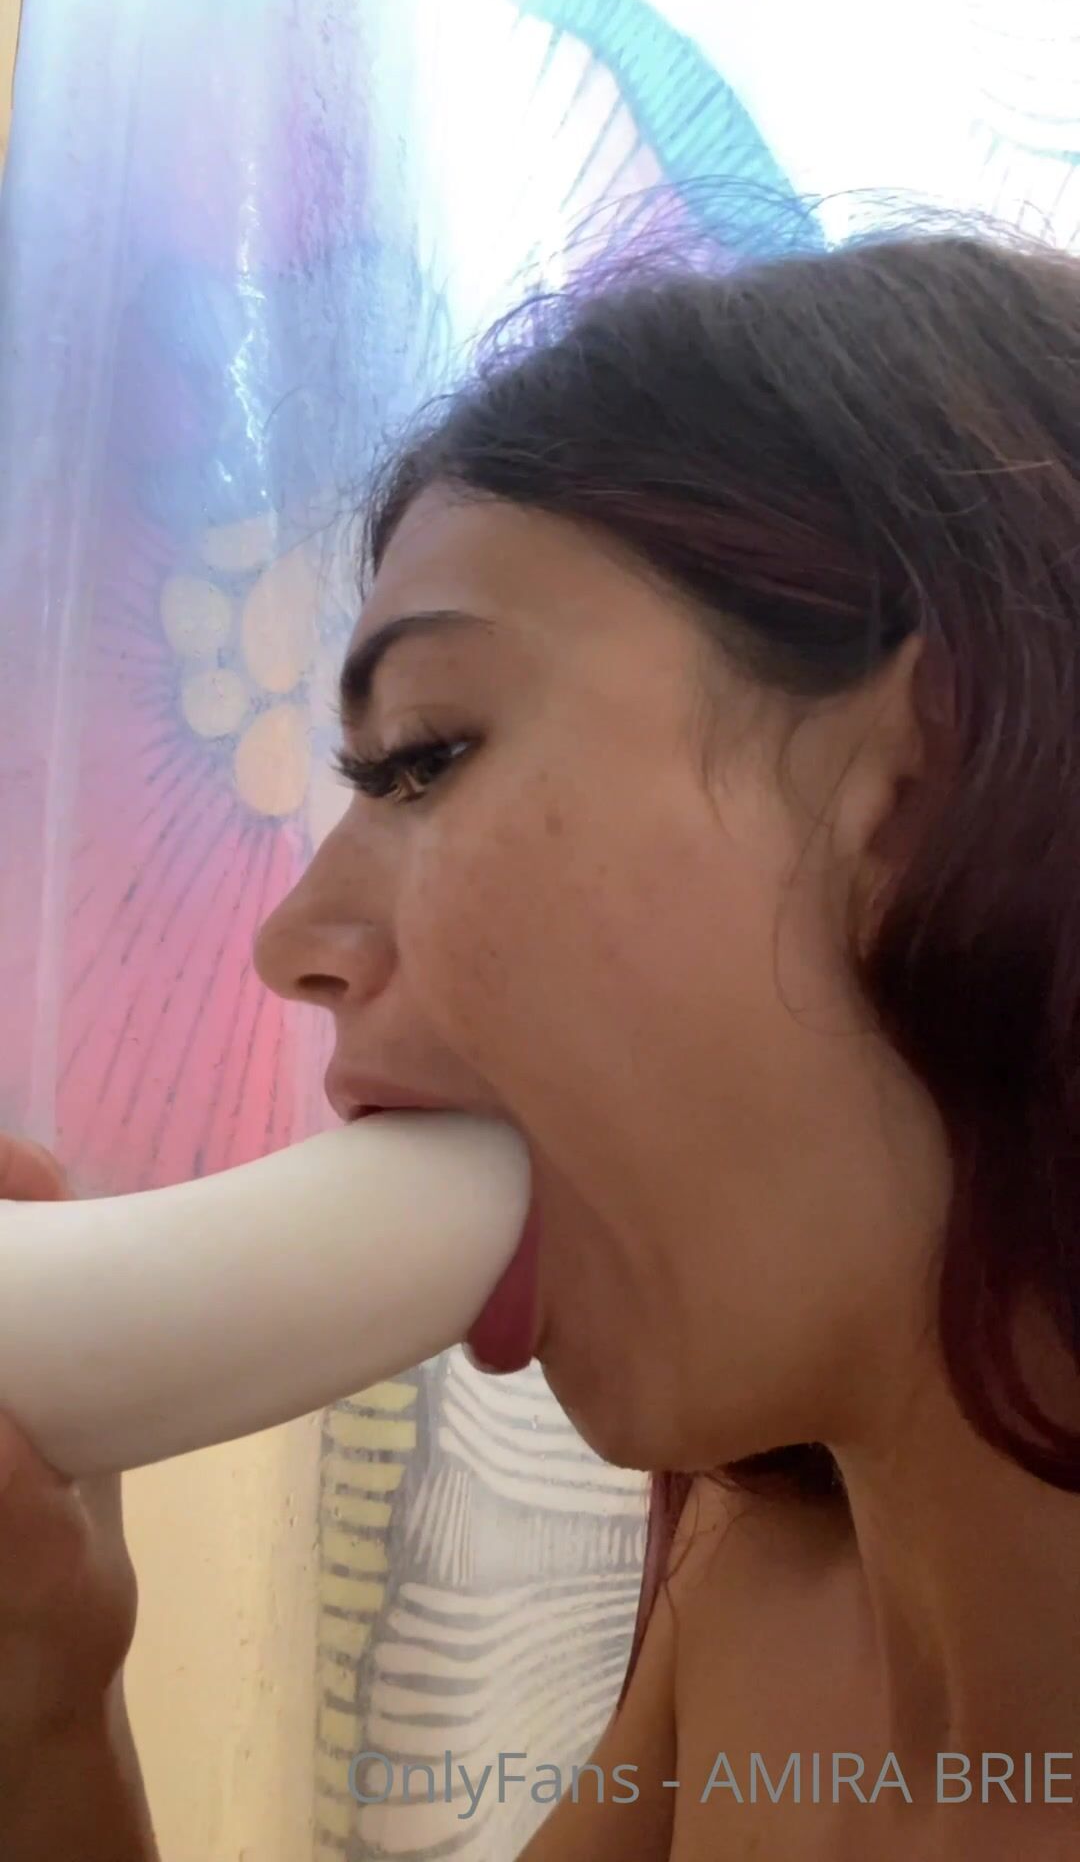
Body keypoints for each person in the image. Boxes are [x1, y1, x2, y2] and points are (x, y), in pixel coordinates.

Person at [1, 226, 1078, 1860]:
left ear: (923, 790)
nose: (293, 945)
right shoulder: (753, 1607)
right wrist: (45, 1706)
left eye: (426, 753)